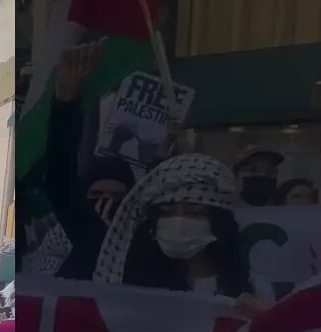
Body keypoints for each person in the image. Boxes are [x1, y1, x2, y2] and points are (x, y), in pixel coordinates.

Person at [90, 153, 275, 313]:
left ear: (219, 220)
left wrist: (262, 321)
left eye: (195, 212)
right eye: (167, 212)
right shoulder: (126, 284)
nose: (179, 221)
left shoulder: (256, 288)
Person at [45, 41, 138, 281]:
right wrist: (66, 101)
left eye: (117, 199)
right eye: (96, 196)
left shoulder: (148, 245)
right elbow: (60, 175)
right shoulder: (86, 236)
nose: (105, 205)